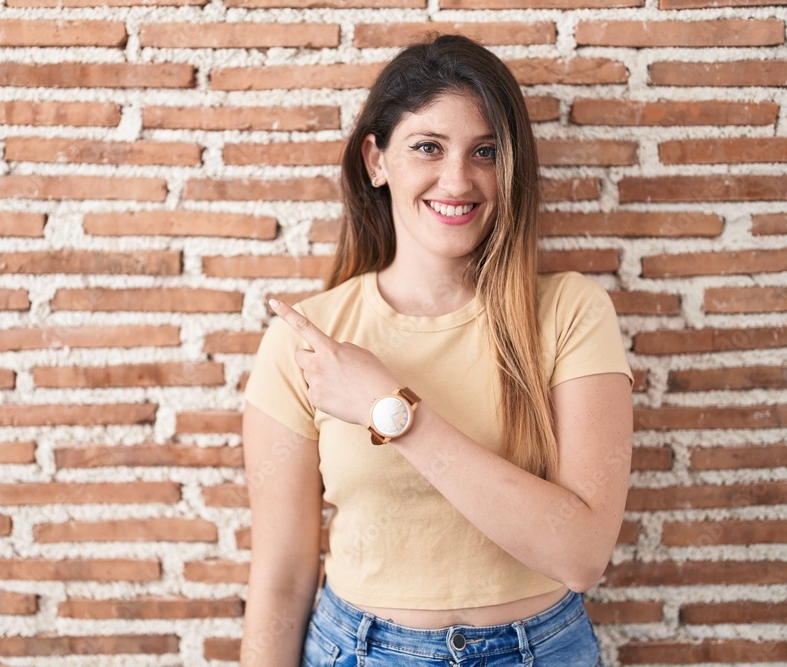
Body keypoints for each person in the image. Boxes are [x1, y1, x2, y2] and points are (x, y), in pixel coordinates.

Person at [240, 34, 633, 667]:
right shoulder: (308, 339)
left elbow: (582, 555)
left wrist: (389, 409)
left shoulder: (570, 313)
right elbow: (282, 577)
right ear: (376, 159)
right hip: (361, 652)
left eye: (486, 151)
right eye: (428, 146)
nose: (459, 179)